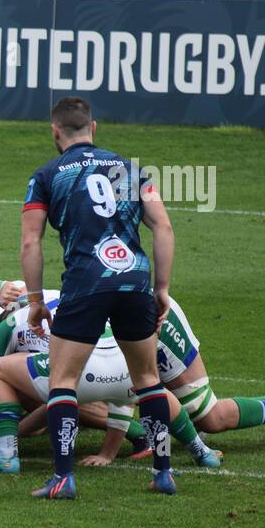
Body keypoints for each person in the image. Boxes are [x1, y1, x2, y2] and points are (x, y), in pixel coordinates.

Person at [21, 96, 179, 499]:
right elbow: (163, 227)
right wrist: (161, 288)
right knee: (148, 380)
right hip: (134, 281)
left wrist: (36, 300)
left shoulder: (46, 175)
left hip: (86, 283)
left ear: (54, 131)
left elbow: (31, 242)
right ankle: (163, 472)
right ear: (94, 128)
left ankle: (63, 478)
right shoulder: (131, 170)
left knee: (63, 381)